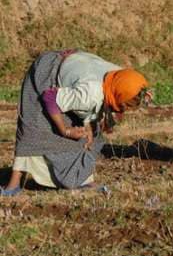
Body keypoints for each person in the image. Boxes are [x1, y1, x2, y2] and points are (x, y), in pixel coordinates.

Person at [0, 50, 151, 196]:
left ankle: (82, 180)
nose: (127, 110)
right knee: (34, 130)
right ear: (118, 94)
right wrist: (65, 130)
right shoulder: (91, 94)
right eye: (127, 105)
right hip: (46, 74)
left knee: (88, 137)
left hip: (72, 72)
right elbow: (50, 98)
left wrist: (88, 125)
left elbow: (90, 99)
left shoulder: (119, 78)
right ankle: (15, 182)